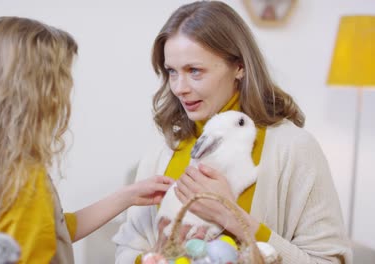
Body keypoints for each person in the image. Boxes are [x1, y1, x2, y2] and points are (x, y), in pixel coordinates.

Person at [112, 1, 352, 263]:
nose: (179, 87)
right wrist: (150, 258)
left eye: (194, 71)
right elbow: (127, 248)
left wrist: (233, 218)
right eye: (172, 71)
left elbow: (329, 260)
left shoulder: (293, 149)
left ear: (239, 66)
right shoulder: (164, 151)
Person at [0, 16, 174, 264]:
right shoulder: (24, 181)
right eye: (62, 80)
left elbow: (55, 231)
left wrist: (128, 196)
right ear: (40, 92)